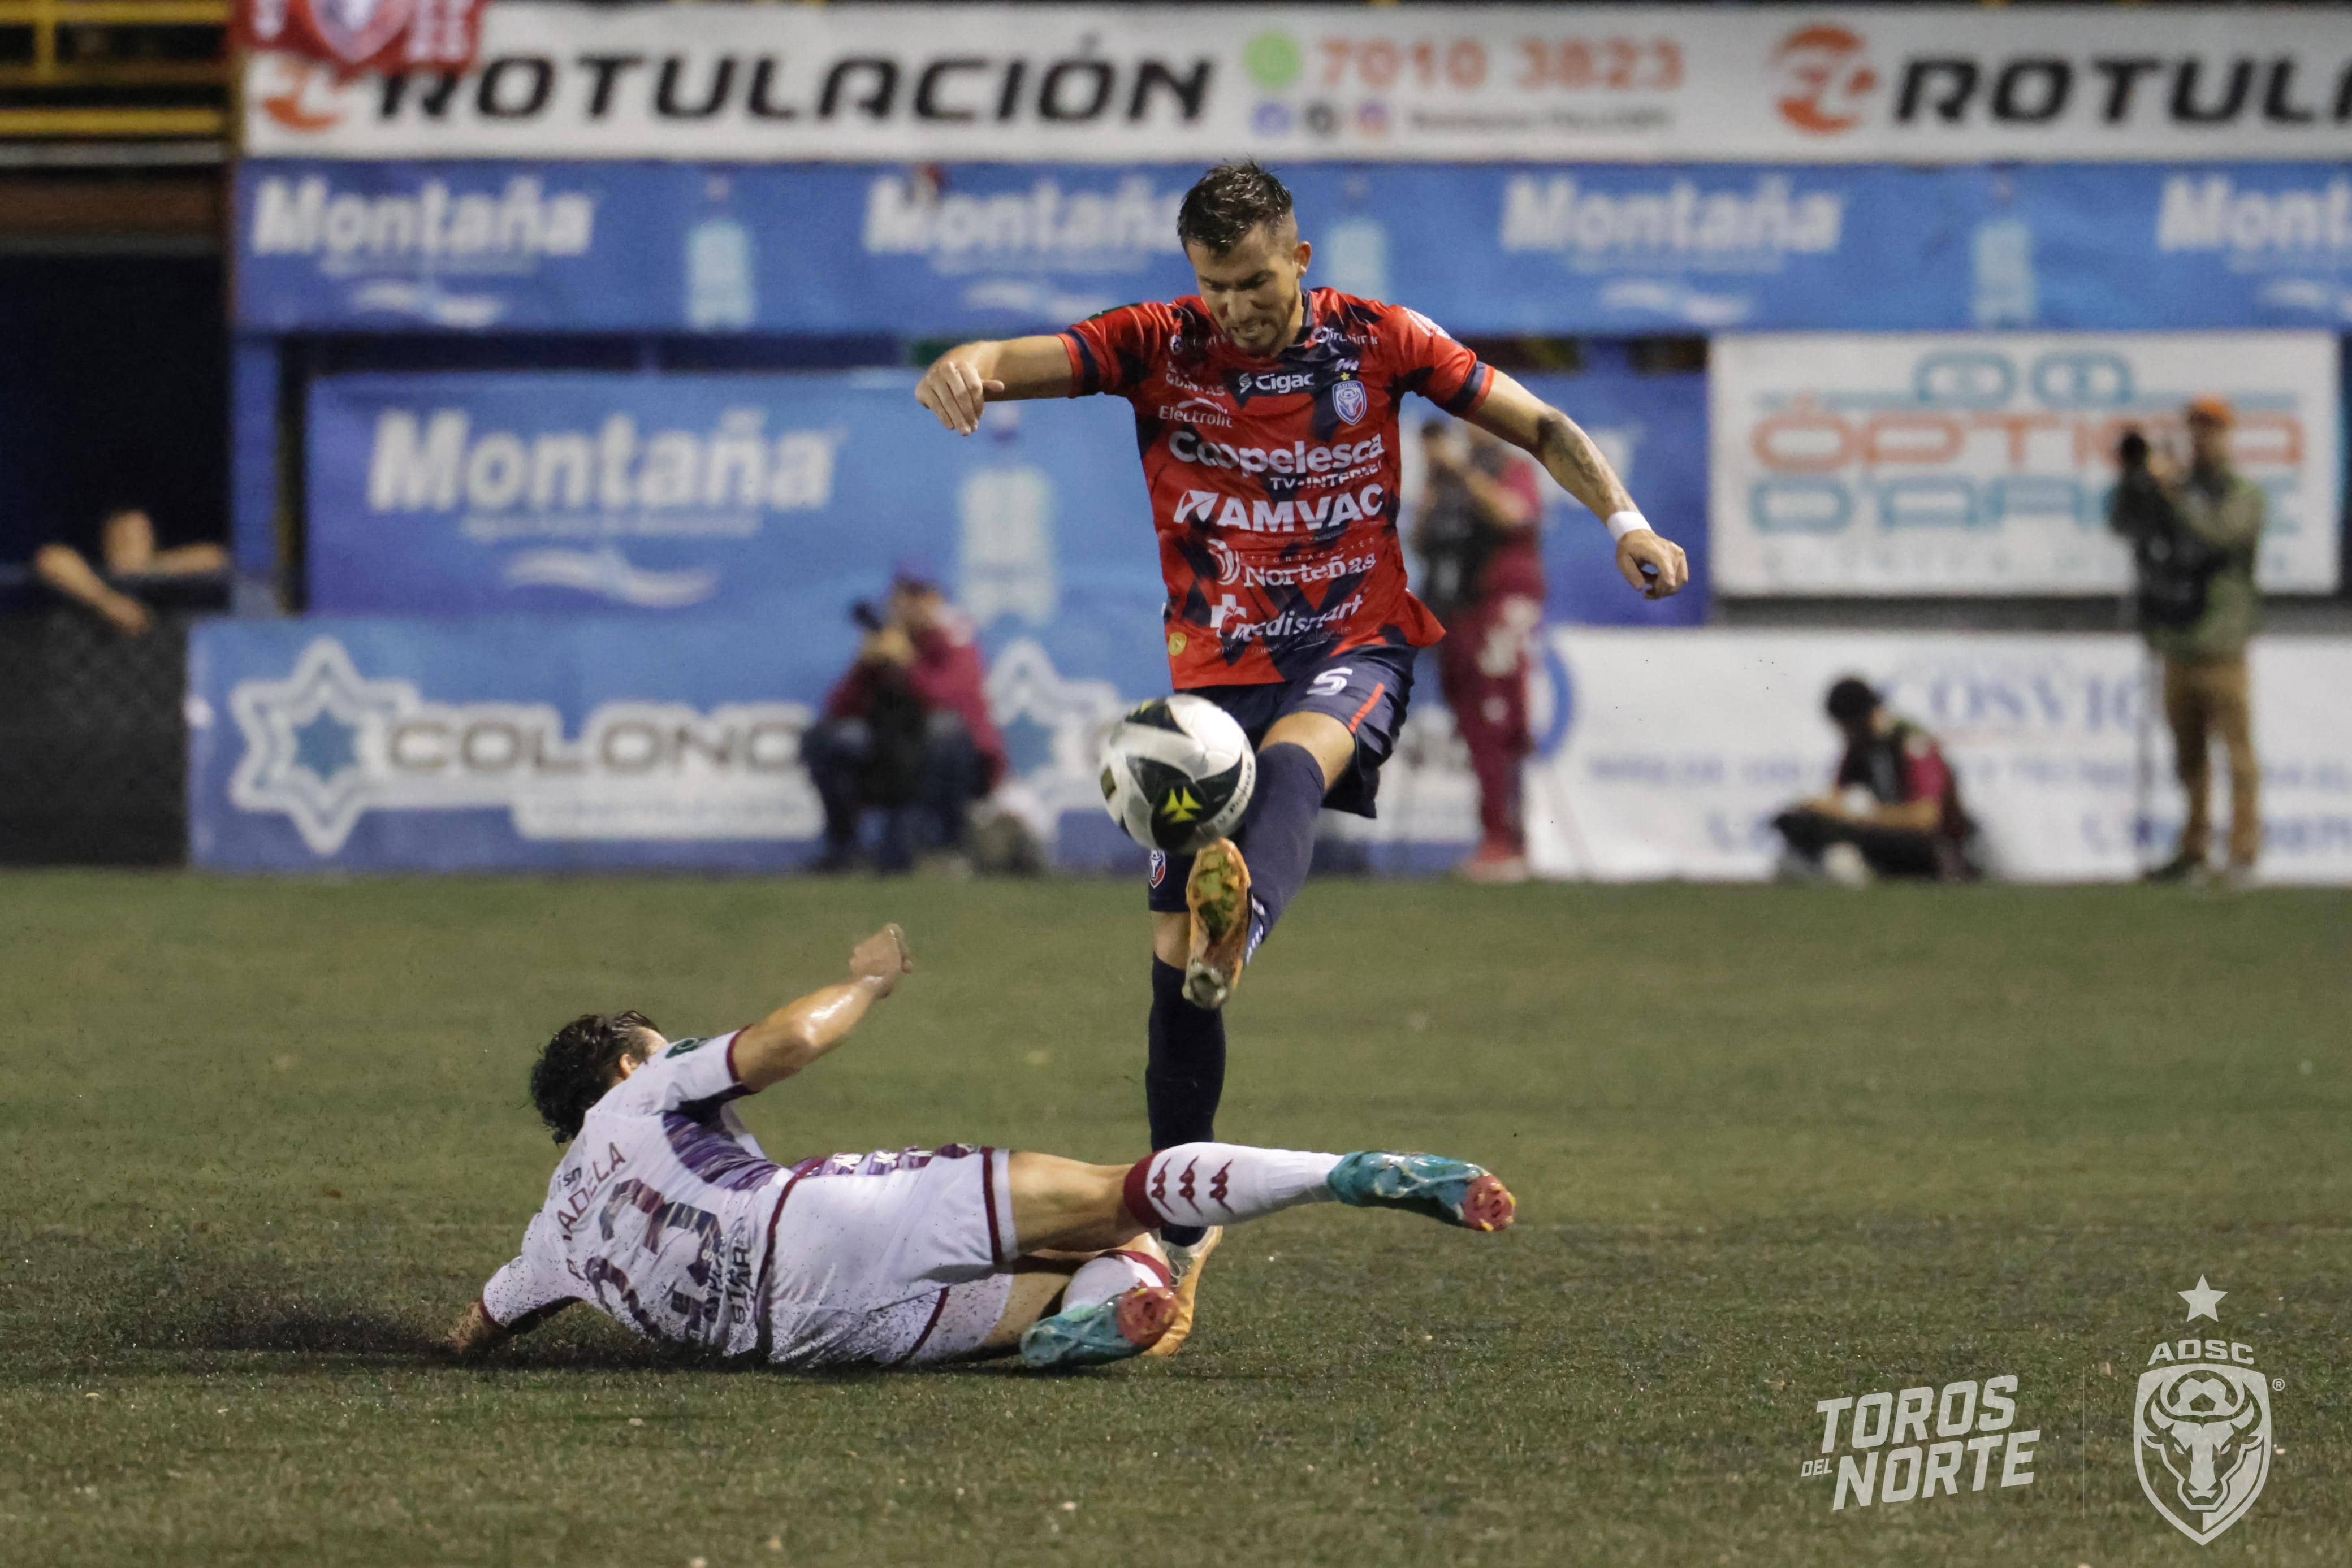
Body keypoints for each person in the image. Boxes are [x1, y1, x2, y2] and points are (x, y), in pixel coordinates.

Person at [913, 160, 1684, 1276]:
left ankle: (1248, 918)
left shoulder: (1381, 339)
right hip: (1209, 677)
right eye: (1215, 285)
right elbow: (1010, 358)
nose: (1236, 307)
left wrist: (1625, 520)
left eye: (1256, 282)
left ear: (1301, 260)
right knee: (1172, 976)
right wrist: (965, 366)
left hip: (1353, 641)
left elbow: (1541, 422)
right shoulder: (1156, 343)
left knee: (1291, 768)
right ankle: (1176, 1228)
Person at [444, 924, 1514, 1373]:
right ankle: (1348, 1173)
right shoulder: (650, 1090)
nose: (675, 1047)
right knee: (1121, 1198)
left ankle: (1100, 1316)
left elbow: (478, 1327)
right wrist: (865, 979)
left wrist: (447, 1344)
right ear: (626, 1068)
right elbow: (783, 1044)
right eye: (657, 1043)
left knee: (1087, 1283)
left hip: (804, 1343)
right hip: (807, 1225)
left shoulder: (550, 1230)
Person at [2107, 399, 2265, 886]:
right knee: (2188, 755)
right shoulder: (2178, 484)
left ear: (2226, 436)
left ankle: (2242, 853)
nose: (2202, 439)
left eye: (2212, 430)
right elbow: (2123, 524)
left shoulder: (2242, 494)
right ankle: (2193, 849)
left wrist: (2174, 490)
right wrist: (2136, 481)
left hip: (2222, 641)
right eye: (2196, 429)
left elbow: (2220, 535)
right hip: (2177, 640)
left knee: (2236, 753)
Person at [800, 573, 1009, 874]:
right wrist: (867, 664)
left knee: (944, 733)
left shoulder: (954, 640)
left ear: (935, 602)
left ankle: (948, 848)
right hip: (888, 757)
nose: (908, 606)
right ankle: (845, 849)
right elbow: (840, 708)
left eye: (917, 597)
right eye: (901, 597)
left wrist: (908, 664)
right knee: (827, 739)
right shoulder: (887, 639)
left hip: (948, 761)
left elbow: (948, 701)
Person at [1412, 422, 1546, 883]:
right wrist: (1435, 479)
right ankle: (1499, 837)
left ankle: (1506, 841)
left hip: (1499, 599)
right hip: (1459, 603)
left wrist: (1462, 472)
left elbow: (1515, 515)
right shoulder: (1448, 477)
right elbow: (1421, 539)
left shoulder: (1511, 467)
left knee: (1496, 718)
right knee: (1474, 721)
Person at [1771, 677, 1978, 885]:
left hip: (1932, 848)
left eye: (1848, 726)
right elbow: (1839, 795)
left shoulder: (1913, 744)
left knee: (1848, 845)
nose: (1846, 734)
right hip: (1883, 835)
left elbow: (1926, 819)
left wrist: (1857, 815)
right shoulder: (1859, 748)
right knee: (1801, 826)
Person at [31, 506, 226, 636]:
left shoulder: (163, 584)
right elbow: (50, 559)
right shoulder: (93, 578)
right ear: (107, 542)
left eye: (139, 538)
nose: (131, 545)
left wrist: (152, 568)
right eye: (123, 538)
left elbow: (215, 558)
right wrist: (108, 604)